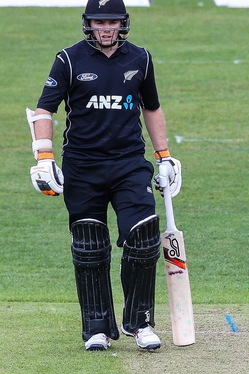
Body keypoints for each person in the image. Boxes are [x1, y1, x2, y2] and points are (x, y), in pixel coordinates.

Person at [27, 0, 181, 351]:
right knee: (89, 245)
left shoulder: (140, 58)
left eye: (113, 22)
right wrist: (45, 156)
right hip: (83, 167)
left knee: (143, 238)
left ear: (123, 23)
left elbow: (151, 107)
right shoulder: (69, 59)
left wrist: (165, 157)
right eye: (100, 22)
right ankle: (96, 327)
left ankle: (139, 324)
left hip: (129, 163)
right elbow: (43, 109)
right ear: (88, 24)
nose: (106, 28)